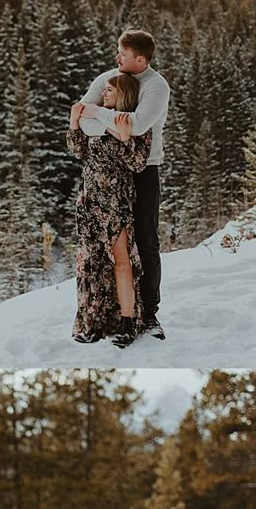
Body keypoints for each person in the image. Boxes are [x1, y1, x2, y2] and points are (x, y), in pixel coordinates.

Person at [78, 28, 170, 341]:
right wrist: (111, 124)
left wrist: (100, 114)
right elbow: (81, 118)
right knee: (105, 249)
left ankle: (150, 315)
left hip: (144, 170)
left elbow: (138, 125)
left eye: (124, 54)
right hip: (105, 176)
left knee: (145, 241)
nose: (117, 58)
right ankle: (109, 314)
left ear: (140, 59)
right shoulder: (107, 79)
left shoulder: (156, 86)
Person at [67, 73, 152, 347]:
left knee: (121, 260)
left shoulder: (132, 122)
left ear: (123, 94)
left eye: (109, 90)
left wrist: (125, 139)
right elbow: (79, 151)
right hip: (90, 199)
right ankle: (93, 323)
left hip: (116, 199)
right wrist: (73, 122)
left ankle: (127, 322)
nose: (103, 94)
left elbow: (138, 164)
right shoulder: (95, 121)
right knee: (91, 262)